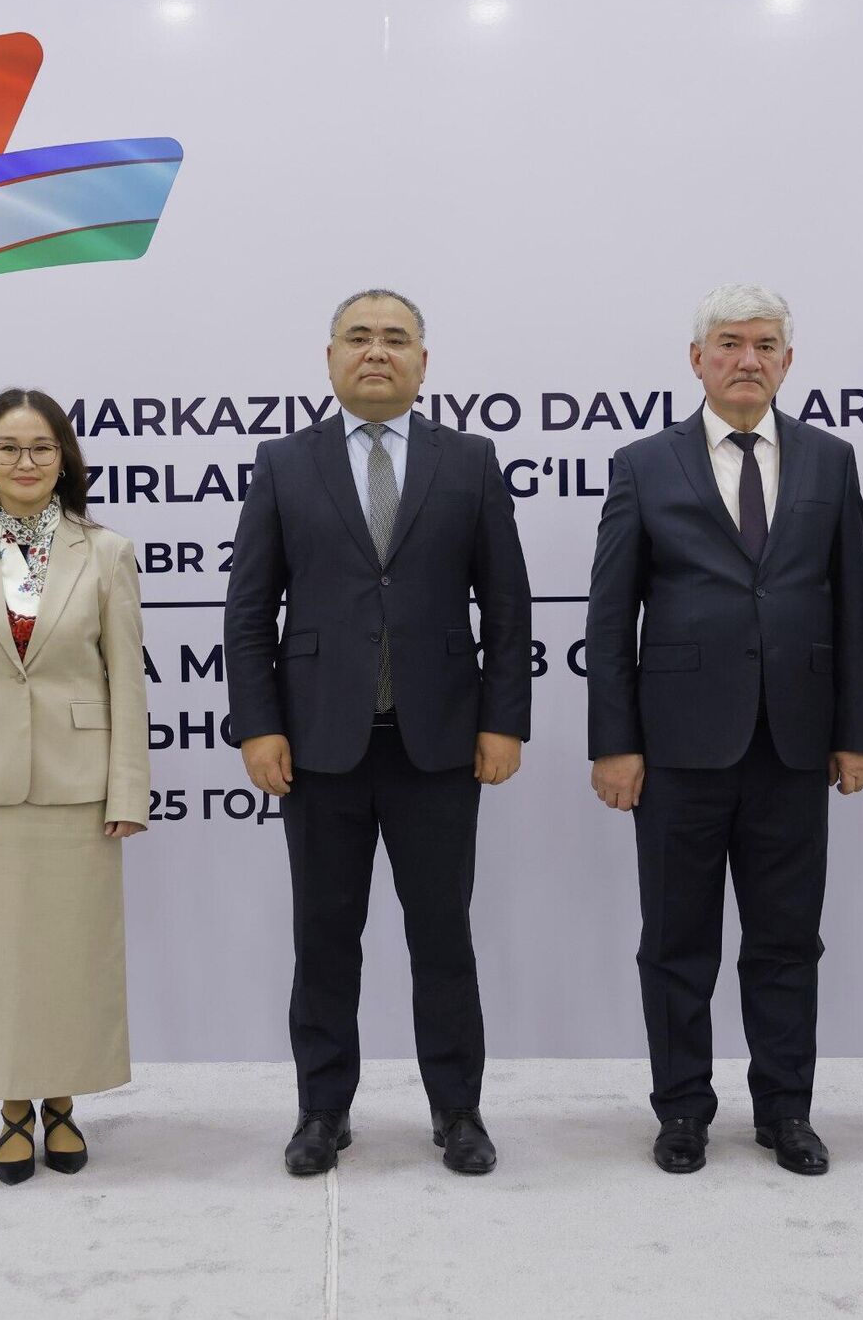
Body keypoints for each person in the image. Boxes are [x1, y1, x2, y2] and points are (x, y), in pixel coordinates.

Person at [224, 289, 531, 1177]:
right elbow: (249, 609)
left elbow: (507, 606)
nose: (376, 351)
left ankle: (458, 1110)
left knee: (443, 938)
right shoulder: (285, 463)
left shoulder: (469, 461)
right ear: (329, 358)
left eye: (396, 339)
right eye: (358, 337)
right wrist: (258, 726)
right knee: (324, 938)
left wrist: (502, 720)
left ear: (423, 363)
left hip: (439, 744)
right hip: (320, 746)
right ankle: (322, 1110)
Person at [585, 283, 863, 1177]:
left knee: (787, 940)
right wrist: (615, 742)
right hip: (678, 749)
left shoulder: (831, 461)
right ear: (697, 358)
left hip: (794, 744)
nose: (748, 359)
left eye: (765, 344)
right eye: (729, 343)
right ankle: (682, 1110)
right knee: (677, 942)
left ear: (788, 361)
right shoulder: (643, 465)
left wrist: (856, 731)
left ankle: (786, 1110)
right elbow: (610, 616)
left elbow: (853, 603)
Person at [0, 388, 148, 1185]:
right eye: (8, 447)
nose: (25, 461)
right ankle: (14, 1107)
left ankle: (63, 1101)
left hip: (80, 788)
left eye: (41, 447)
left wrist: (128, 791)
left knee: (70, 957)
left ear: (64, 458)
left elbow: (127, 683)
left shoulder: (106, 552)